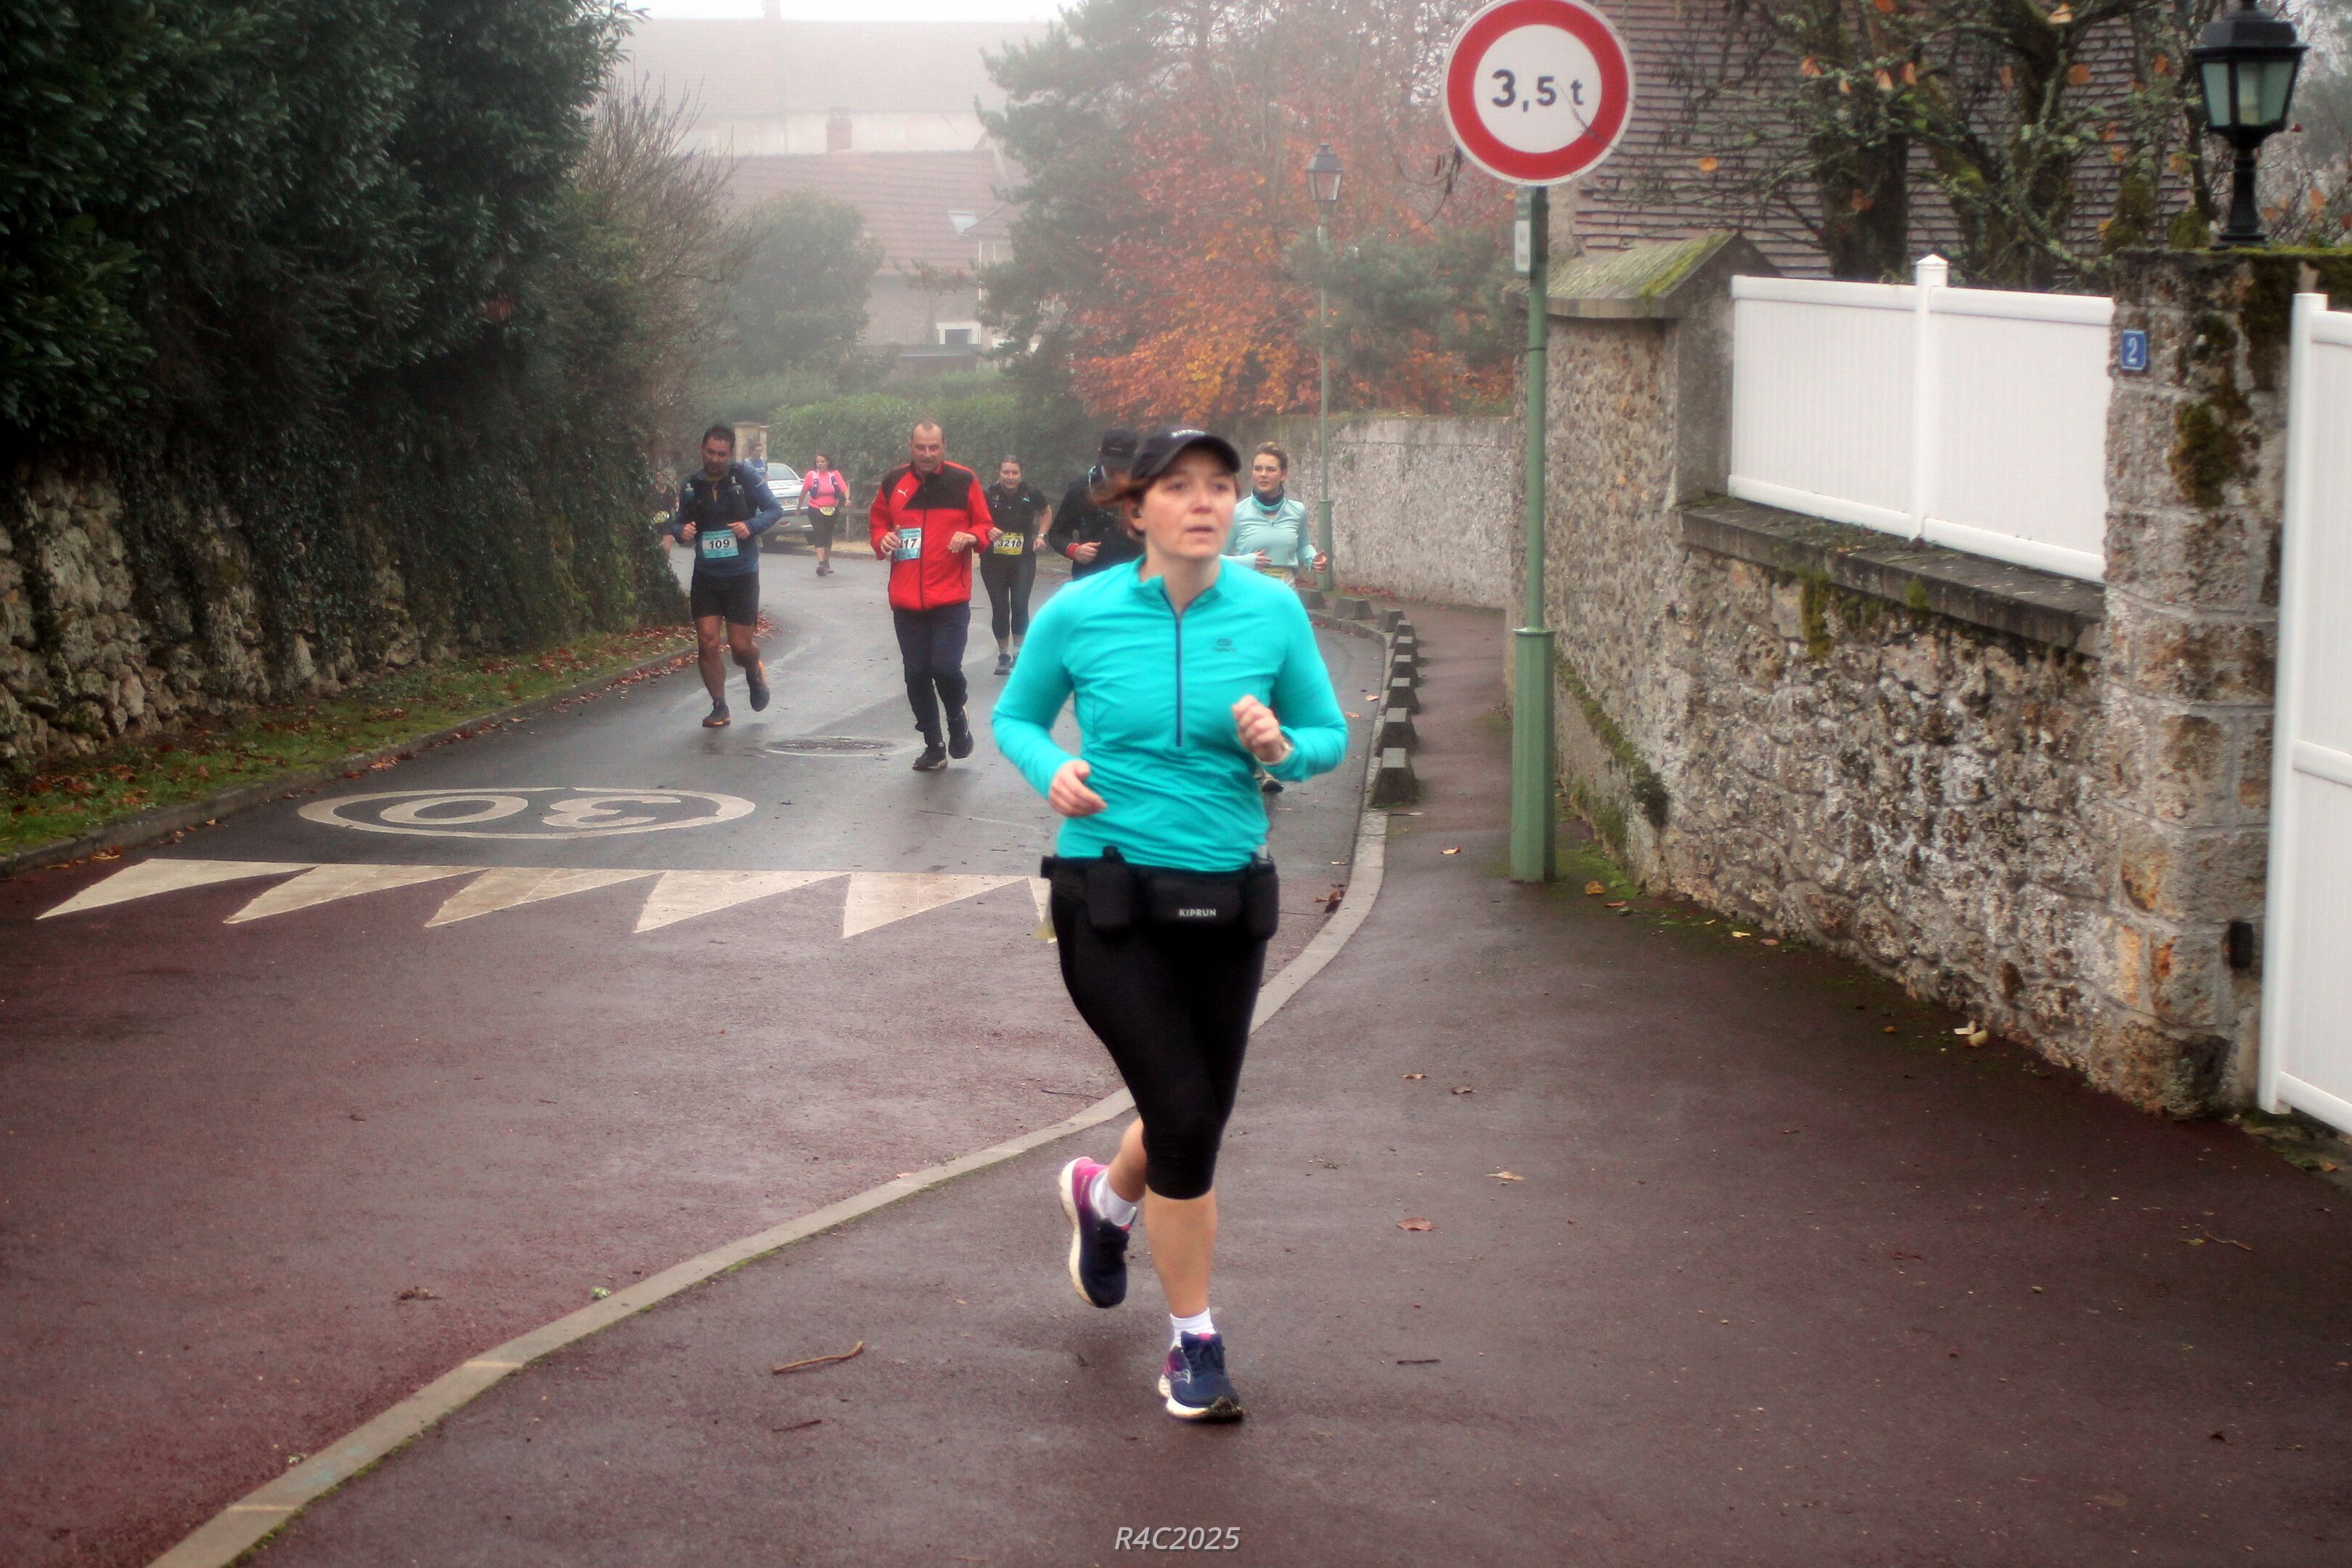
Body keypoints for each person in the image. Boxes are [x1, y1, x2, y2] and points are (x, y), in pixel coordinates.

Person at [993, 427, 1348, 1423]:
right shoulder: (1082, 611)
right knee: (1186, 1116)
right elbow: (1017, 719)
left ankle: (1105, 1204)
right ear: (1135, 507)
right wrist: (1051, 769)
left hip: (1229, 899)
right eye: (1180, 486)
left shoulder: (1273, 611)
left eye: (1220, 486)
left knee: (1192, 1109)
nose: (1205, 501)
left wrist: (1284, 749)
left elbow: (1327, 735)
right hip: (1108, 897)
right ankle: (1194, 1342)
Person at [870, 420, 995, 771]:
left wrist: (972, 536)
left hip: (950, 597)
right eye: (921, 447)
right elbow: (878, 523)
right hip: (906, 599)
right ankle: (933, 746)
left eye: (934, 447)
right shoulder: (894, 481)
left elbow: (985, 525)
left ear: (944, 446)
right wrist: (881, 539)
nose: (927, 454)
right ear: (911, 446)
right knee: (916, 675)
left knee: (945, 668)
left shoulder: (963, 480)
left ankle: (957, 716)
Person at [660, 424, 784, 728]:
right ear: (702, 450)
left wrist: (750, 526)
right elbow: (678, 522)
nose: (715, 459)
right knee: (707, 642)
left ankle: (753, 668)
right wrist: (681, 530)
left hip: (741, 574)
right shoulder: (691, 484)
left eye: (722, 454)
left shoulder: (745, 477)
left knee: (741, 647)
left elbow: (774, 509)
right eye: (711, 452)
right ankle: (719, 706)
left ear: (730, 454)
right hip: (707, 575)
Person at [980, 455, 1051, 676]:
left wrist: (1041, 535)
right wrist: (987, 529)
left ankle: (1019, 654)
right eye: (1006, 472)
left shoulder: (1031, 492)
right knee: (1000, 608)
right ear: (999, 473)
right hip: (994, 560)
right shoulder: (988, 494)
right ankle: (1003, 655)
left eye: (1015, 473)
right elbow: (975, 518)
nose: (1010, 477)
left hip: (1023, 557)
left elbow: (1046, 511)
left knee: (1020, 605)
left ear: (1021, 474)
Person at [1045, 425, 1144, 579]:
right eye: (1111, 466)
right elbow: (1057, 534)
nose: (1116, 472)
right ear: (1100, 453)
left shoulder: (1145, 487)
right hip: (1091, 576)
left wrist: (1144, 538)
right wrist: (1075, 550)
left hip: (1134, 576)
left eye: (1122, 467)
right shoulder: (1081, 488)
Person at [1225, 442, 1327, 584]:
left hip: (1286, 593)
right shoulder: (1236, 513)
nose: (1263, 474)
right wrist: (1247, 561)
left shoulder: (1297, 511)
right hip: (1249, 594)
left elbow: (1303, 546)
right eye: (1258, 469)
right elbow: (1215, 560)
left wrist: (1313, 558)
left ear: (1283, 474)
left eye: (1270, 469)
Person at [799, 452, 849, 576]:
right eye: (818, 462)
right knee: (820, 533)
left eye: (823, 462)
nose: (820, 464)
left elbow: (844, 488)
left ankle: (826, 562)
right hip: (816, 509)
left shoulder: (834, 474)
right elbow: (804, 492)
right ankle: (821, 563)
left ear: (828, 463)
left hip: (832, 509)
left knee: (828, 535)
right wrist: (798, 507)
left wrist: (847, 498)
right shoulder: (811, 475)